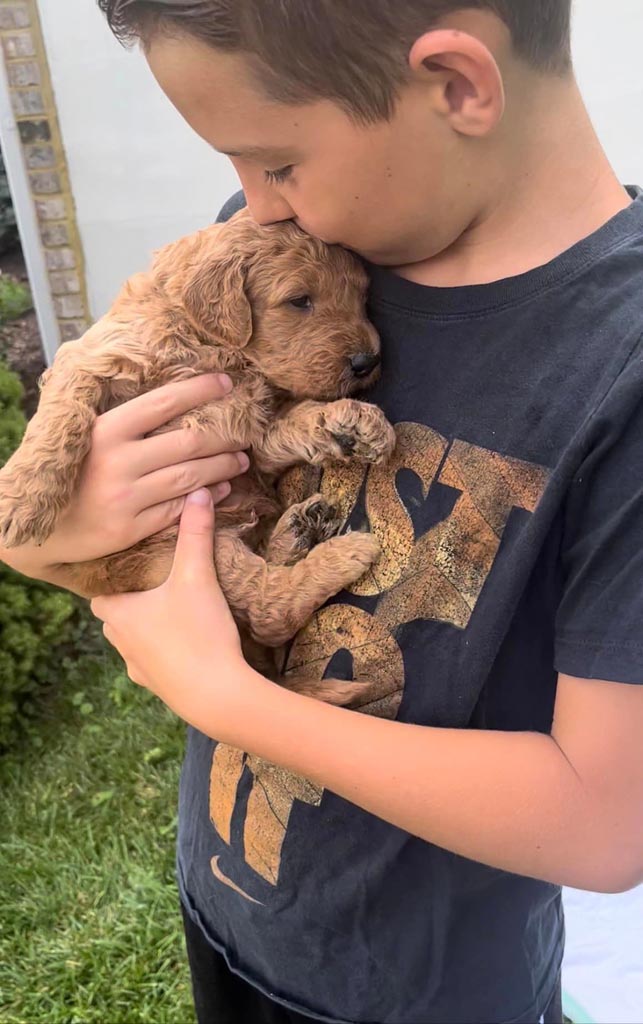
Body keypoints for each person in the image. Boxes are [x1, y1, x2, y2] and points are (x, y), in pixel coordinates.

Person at [3, 1, 643, 1021]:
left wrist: (230, 701)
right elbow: (61, 542)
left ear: (456, 85)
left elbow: (606, 824)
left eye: (276, 161)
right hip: (230, 898)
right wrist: (74, 530)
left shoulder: (621, 365)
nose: (253, 203)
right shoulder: (278, 251)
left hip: (430, 989)